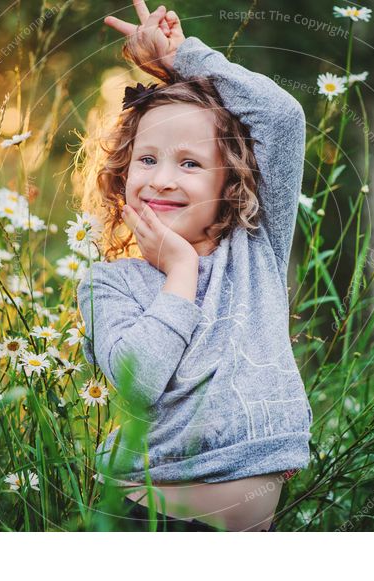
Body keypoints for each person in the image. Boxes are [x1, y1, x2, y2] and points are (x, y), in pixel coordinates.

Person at [77, 0, 311, 532]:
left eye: (190, 162)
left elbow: (281, 117)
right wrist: (180, 272)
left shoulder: (255, 250)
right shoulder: (110, 285)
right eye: (147, 158)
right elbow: (140, 383)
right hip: (147, 522)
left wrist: (180, 58)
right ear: (122, 173)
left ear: (230, 183)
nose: (161, 179)